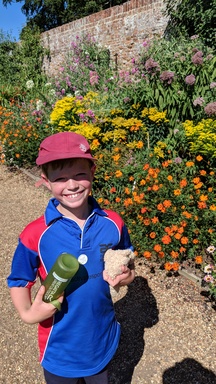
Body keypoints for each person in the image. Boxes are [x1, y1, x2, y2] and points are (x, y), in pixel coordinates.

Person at [7, 131, 135, 384]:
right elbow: (19, 279)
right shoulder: (36, 234)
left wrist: (127, 276)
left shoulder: (113, 223)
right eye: (60, 178)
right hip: (59, 347)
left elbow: (126, 259)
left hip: (102, 338)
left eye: (79, 175)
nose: (72, 185)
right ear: (45, 181)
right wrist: (28, 314)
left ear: (92, 172)